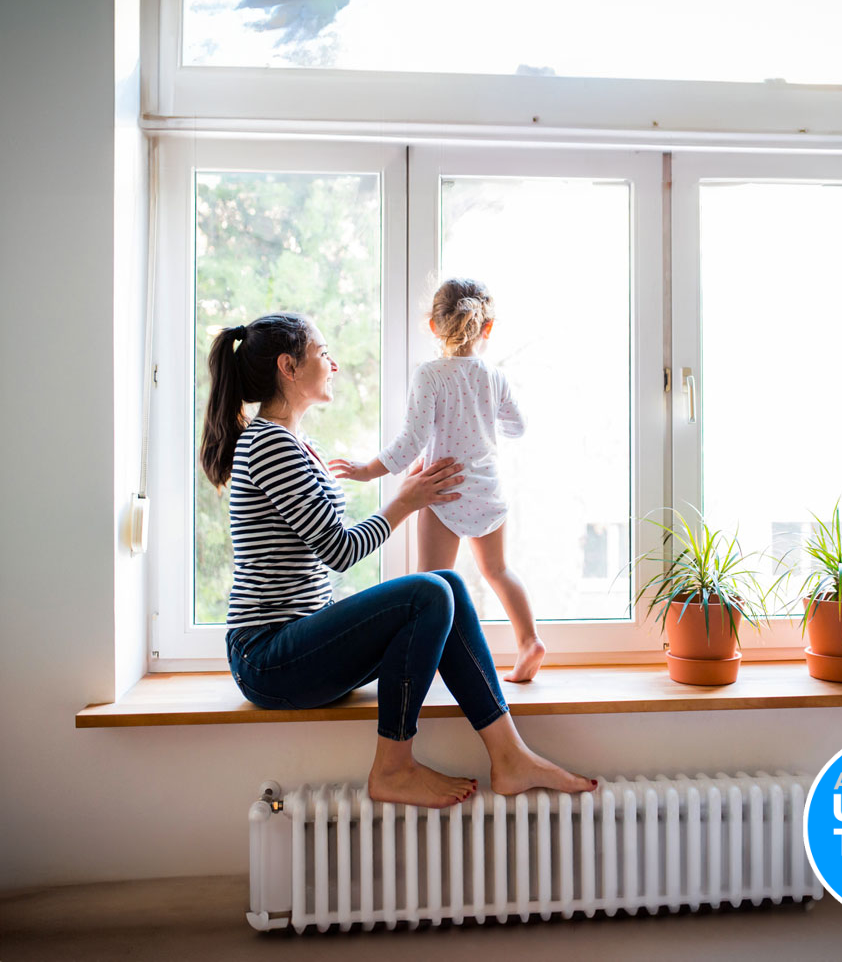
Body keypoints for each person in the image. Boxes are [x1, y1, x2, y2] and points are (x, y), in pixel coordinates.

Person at [200, 312, 594, 810]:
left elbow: (322, 543)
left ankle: (510, 756)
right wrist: (405, 501)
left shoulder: (297, 444)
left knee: (445, 583)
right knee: (428, 591)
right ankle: (393, 766)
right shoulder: (270, 444)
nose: (334, 363)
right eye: (323, 353)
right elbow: (338, 550)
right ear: (289, 367)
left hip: (298, 641)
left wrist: (405, 494)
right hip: (267, 657)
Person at [334, 279, 545, 683]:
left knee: (429, 584)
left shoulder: (429, 376)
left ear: (432, 325)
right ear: (488, 328)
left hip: (441, 491)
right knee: (499, 571)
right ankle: (529, 640)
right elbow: (518, 426)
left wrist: (365, 470)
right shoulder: (493, 376)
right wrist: (484, 415)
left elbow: (410, 442)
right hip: (487, 491)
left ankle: (424, 665)